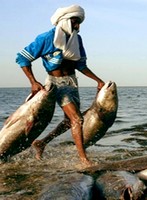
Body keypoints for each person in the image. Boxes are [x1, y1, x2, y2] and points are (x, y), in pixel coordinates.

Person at [16, 5, 105, 167]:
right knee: (77, 119)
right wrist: (33, 82)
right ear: (64, 21)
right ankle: (83, 160)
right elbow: (22, 58)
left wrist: (99, 81)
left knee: (68, 122)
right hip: (55, 84)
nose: (77, 26)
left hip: (72, 83)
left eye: (79, 23)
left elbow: (81, 65)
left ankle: (42, 142)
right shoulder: (46, 38)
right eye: (75, 22)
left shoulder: (76, 40)